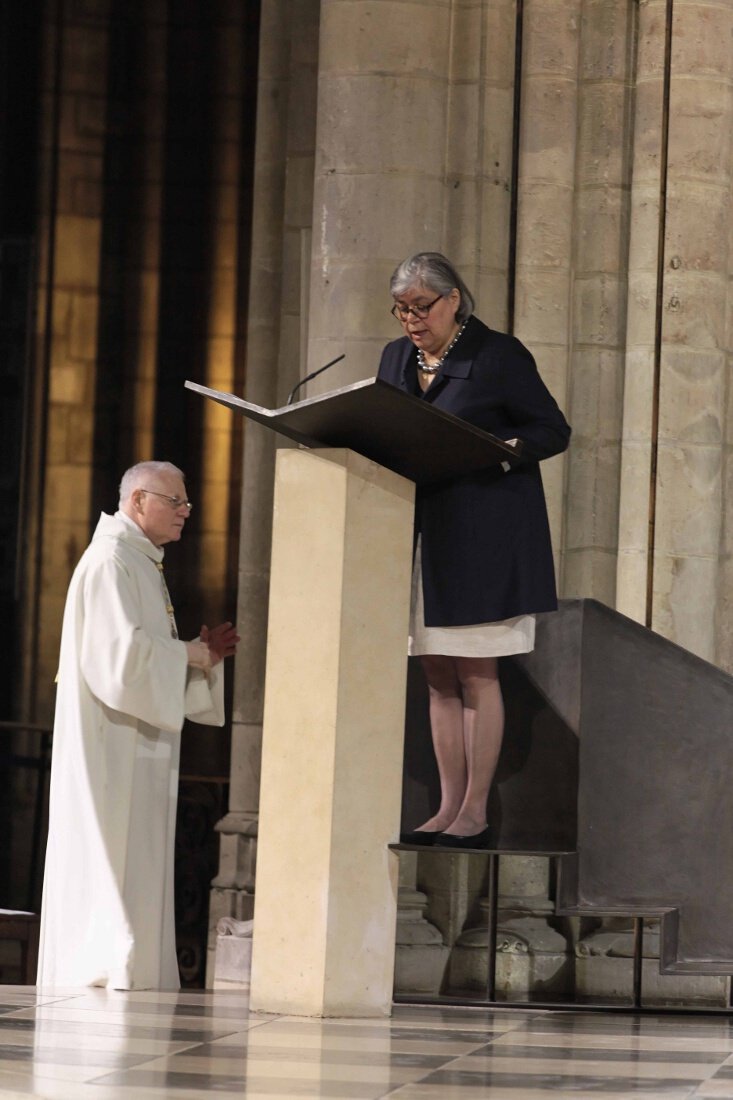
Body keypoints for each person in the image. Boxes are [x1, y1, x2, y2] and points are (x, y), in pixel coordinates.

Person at [378, 252, 570, 849]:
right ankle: (445, 805)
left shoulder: (497, 355)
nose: (411, 320)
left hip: (484, 538)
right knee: (437, 674)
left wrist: (497, 447)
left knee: (476, 672)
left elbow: (552, 431)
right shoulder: (393, 358)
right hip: (420, 537)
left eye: (421, 307)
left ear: (454, 298)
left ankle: (475, 809)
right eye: (402, 309)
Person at [37, 461, 239, 989]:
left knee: (137, 858)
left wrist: (196, 658)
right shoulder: (111, 562)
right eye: (175, 501)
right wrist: (191, 654)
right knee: (110, 854)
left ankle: (135, 974)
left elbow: (146, 654)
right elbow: (118, 660)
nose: (186, 511)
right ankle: (102, 971)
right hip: (110, 744)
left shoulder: (139, 560)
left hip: (137, 741)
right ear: (137, 501)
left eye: (185, 502)